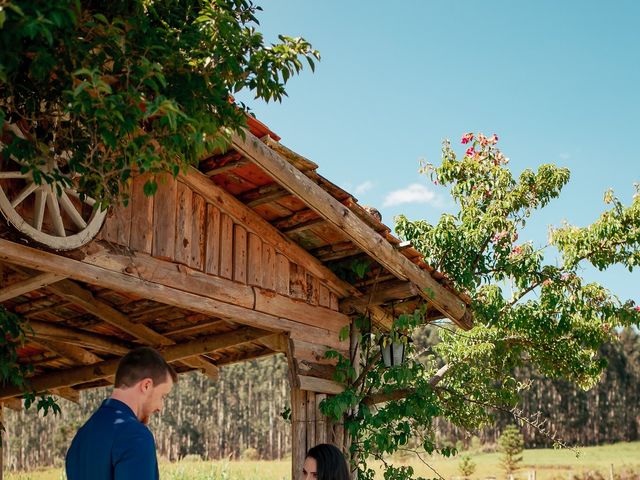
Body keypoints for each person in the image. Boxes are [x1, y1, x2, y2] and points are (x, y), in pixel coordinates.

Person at [65, 347, 177, 480]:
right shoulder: (135, 435)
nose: (160, 407)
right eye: (162, 396)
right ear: (146, 385)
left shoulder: (82, 436)